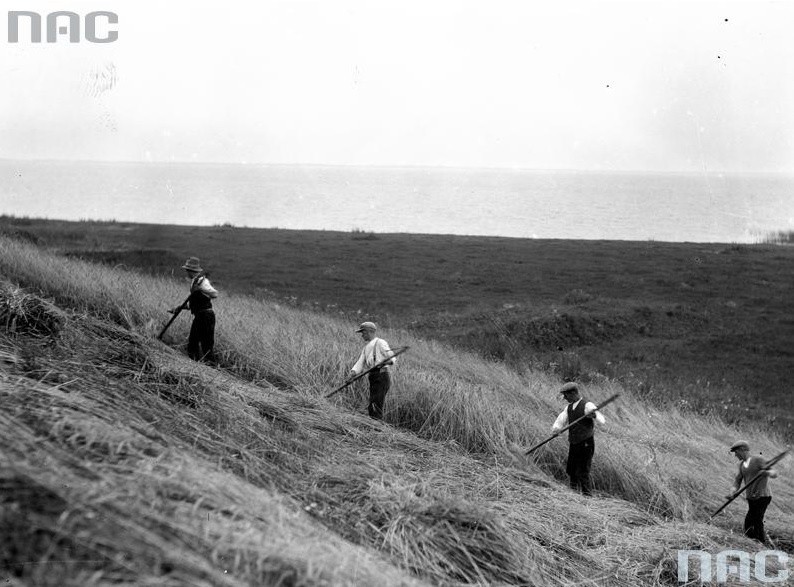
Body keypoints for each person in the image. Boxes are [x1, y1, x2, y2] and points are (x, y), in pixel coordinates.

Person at [551, 382, 606, 496]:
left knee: (583, 471)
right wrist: (556, 429)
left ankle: (587, 496)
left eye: (566, 395)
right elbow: (561, 420)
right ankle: (574, 494)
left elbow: (602, 420)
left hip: (586, 443)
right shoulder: (569, 408)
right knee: (571, 470)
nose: (565, 398)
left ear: (574, 393)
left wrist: (594, 415)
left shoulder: (587, 405)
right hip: (574, 442)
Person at [727, 440, 778, 545]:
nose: (735, 455)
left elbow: (774, 473)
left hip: (763, 496)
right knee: (750, 522)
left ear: (742, 450)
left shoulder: (758, 459)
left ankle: (760, 544)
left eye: (736, 452)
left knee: (756, 520)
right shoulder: (741, 465)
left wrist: (766, 472)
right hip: (751, 497)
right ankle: (754, 543)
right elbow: (737, 481)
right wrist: (732, 491)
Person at [173, 257, 218, 363]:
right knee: (193, 344)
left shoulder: (202, 282)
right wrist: (179, 308)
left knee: (206, 346)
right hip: (200, 315)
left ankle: (211, 370)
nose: (186, 272)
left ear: (190, 271)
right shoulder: (194, 282)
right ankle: (196, 367)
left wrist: (201, 288)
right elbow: (194, 304)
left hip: (206, 316)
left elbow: (215, 294)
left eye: (187, 270)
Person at [349, 322, 397, 420]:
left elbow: (392, 357)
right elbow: (360, 363)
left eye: (363, 332)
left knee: (376, 404)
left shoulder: (380, 342)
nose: (362, 335)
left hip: (382, 375)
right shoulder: (366, 348)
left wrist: (386, 362)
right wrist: (352, 373)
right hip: (373, 376)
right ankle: (373, 425)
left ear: (369, 331)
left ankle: (377, 428)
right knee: (372, 404)